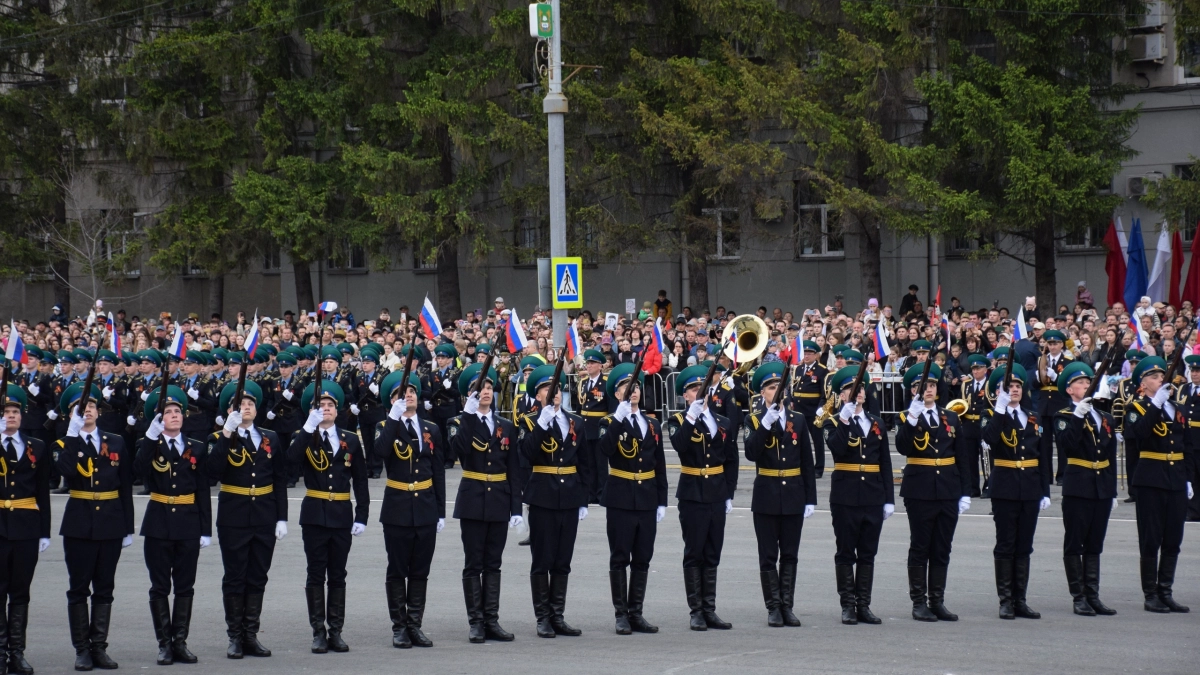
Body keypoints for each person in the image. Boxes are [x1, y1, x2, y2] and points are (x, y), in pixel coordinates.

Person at [206, 380, 289, 658]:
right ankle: (235, 636)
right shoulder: (218, 438)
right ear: (230, 411)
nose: (246, 408)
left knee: (257, 576)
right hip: (234, 516)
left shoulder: (270, 438)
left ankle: (250, 635)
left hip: (264, 516)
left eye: (250, 404)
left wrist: (281, 517)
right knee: (235, 577)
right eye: (240, 405)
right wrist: (226, 433)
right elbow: (212, 472)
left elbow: (279, 479)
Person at [286, 381, 370, 653]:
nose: (326, 409)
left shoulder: (350, 439)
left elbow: (360, 480)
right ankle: (318, 632)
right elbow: (290, 461)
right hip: (314, 514)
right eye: (320, 405)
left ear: (337, 409)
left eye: (330, 405)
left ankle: (336, 631)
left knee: (337, 575)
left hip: (341, 514)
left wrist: (362, 515)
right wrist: (307, 428)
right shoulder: (304, 435)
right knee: (315, 574)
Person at [56, 382, 133, 671]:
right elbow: (65, 472)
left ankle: (99, 647)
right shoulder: (63, 443)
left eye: (90, 406)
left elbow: (125, 485)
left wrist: (127, 526)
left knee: (105, 587)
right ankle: (82, 650)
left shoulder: (116, 442)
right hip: (79, 523)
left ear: (98, 411)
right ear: (71, 415)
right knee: (79, 588)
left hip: (110, 522)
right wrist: (72, 434)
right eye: (79, 408)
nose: (86, 411)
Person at [135, 386, 212, 665]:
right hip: (158, 522)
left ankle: (180, 642)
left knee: (184, 586)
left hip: (188, 523)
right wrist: (149, 437)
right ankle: (164, 644)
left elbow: (203, 489)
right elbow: (138, 471)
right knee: (159, 586)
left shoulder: (197, 447)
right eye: (167, 412)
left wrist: (206, 529)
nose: (174, 415)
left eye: (178, 411)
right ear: (159, 419)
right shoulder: (149, 444)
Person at [446, 363, 520, 644]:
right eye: (479, 389)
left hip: (499, 498)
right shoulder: (458, 422)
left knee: (493, 563)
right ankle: (476, 622)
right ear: (469, 395)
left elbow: (513, 470)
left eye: (488, 388)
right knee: (473, 563)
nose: (485, 392)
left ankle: (491, 620)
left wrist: (516, 508)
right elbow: (459, 450)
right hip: (473, 498)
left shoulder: (506, 426)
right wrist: (467, 415)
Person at [373, 370, 445, 648]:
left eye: (412, 391)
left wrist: (440, 510)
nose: (409, 396)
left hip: (425, 506)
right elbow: (380, 452)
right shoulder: (385, 426)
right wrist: (393, 418)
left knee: (420, 570)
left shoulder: (431, 428)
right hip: (398, 507)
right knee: (397, 569)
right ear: (392, 401)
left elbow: (437, 471)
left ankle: (415, 625)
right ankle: (399, 627)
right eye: (401, 394)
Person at [665, 364, 739, 631]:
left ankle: (709, 609)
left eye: (702, 388)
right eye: (693, 389)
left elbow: (731, 459)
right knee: (694, 552)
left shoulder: (723, 422)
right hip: (693, 493)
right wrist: (691, 416)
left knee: (712, 552)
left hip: (717, 492)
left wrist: (729, 492)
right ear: (685, 395)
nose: (699, 392)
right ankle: (696, 611)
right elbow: (680, 445)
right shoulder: (678, 421)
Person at [518, 364, 590, 638]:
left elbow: (584, 463)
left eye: (556, 388)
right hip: (543, 496)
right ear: (538, 395)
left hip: (569, 495)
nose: (554, 393)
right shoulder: (528, 421)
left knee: (563, 560)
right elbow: (527, 453)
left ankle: (557, 615)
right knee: (542, 559)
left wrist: (583, 498)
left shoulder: (575, 422)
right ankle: (543, 618)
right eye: (547, 389)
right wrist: (542, 423)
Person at [897, 364, 971, 622]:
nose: (927, 390)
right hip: (920, 490)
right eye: (920, 387)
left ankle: (937, 601)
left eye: (930, 386)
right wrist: (912, 419)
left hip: (948, 489)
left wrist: (965, 491)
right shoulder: (906, 416)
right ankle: (919, 602)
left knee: (942, 548)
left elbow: (962, 456)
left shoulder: (950, 417)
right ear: (912, 391)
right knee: (920, 546)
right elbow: (903, 447)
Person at [744, 362, 815, 627]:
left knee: (790, 554)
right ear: (762, 392)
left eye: (780, 386)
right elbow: (751, 453)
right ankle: (773, 607)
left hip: (793, 493)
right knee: (768, 556)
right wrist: (765, 424)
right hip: (767, 494)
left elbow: (807, 461)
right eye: (772, 387)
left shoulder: (798, 419)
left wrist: (810, 498)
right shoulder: (753, 420)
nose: (777, 391)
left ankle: (787, 606)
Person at [598, 363, 667, 635]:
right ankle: (621, 614)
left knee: (642, 558)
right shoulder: (608, 422)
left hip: (647, 497)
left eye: (635, 386)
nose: (632, 391)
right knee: (619, 557)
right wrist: (618, 419)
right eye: (626, 387)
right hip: (621, 497)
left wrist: (662, 499)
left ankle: (636, 612)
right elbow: (605, 449)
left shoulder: (652, 424)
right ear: (617, 394)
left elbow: (659, 464)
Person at [1122, 356, 1193, 614]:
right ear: (1142, 384)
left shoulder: (1177, 408)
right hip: (1150, 480)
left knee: (1173, 539)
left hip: (1175, 479)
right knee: (1151, 538)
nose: (1160, 380)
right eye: (1154, 377)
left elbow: (1186, 445)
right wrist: (1155, 404)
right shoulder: (1136, 408)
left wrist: (1187, 478)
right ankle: (1150, 594)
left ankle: (1165, 591)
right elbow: (1136, 435)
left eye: (1162, 376)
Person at [825, 365, 894, 625]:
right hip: (845, 496)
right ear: (842, 395)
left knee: (867, 553)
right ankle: (847, 606)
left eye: (861, 387)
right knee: (845, 552)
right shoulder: (832, 422)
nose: (859, 392)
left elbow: (885, 462)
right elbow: (838, 449)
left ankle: (863, 605)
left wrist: (889, 498)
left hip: (872, 496)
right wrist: (844, 421)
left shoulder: (876, 422)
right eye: (852, 389)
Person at [981, 363, 1049, 620]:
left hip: (1030, 487)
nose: (1015, 390)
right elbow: (990, 439)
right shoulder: (991, 415)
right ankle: (1006, 600)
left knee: (1024, 545)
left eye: (1018, 385)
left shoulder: (1033, 416)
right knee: (1006, 543)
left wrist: (1044, 490)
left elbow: (1042, 456)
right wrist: (999, 409)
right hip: (1005, 487)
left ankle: (1020, 600)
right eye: (1009, 386)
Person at [1054, 362, 1119, 617]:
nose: (1085, 386)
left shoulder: (1105, 417)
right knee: (1075, 543)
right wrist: (1078, 416)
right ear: (1070, 390)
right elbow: (1067, 446)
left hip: (1101, 486)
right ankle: (1078, 596)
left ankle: (1093, 595)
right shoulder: (1063, 416)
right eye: (1080, 383)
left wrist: (1112, 490)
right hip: (1078, 486)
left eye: (1087, 382)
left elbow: (1111, 456)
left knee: (1095, 543)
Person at [0, 383, 51, 675]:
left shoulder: (36, 446)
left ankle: (17, 653)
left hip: (26, 526)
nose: (11, 416)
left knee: (20, 592)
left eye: (15, 412)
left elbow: (42, 490)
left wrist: (44, 531)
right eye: (5, 412)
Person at [573, 350, 611, 503]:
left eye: (592, 363)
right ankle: (590, 492)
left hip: (600, 426)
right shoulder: (583, 383)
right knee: (587, 463)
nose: (589, 366)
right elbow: (578, 408)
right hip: (585, 427)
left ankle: (601, 493)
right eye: (587, 363)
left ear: (600, 366)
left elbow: (611, 408)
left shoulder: (606, 383)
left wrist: (608, 428)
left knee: (600, 463)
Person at [790, 341, 828, 477]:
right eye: (805, 353)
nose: (806, 356)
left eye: (810, 354)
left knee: (817, 441)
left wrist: (821, 408)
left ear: (816, 355)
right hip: (799, 410)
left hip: (813, 411)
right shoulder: (799, 369)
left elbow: (824, 393)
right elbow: (793, 388)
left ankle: (819, 468)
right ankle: (801, 465)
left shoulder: (822, 370)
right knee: (798, 440)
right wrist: (791, 400)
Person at [959, 354, 991, 498]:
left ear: (985, 369)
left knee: (986, 457)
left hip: (983, 424)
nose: (975, 371)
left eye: (978, 368)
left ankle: (988, 486)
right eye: (973, 369)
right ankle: (973, 487)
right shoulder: (966, 385)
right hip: (968, 425)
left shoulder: (989, 384)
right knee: (969, 459)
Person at [429, 344, 462, 469]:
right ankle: (440, 457)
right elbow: (431, 390)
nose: (440, 360)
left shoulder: (454, 374)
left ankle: (450, 458)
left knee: (450, 433)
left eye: (443, 358)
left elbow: (458, 393)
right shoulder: (433, 374)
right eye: (438, 358)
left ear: (449, 359)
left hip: (449, 406)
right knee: (439, 434)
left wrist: (449, 389)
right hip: (436, 408)